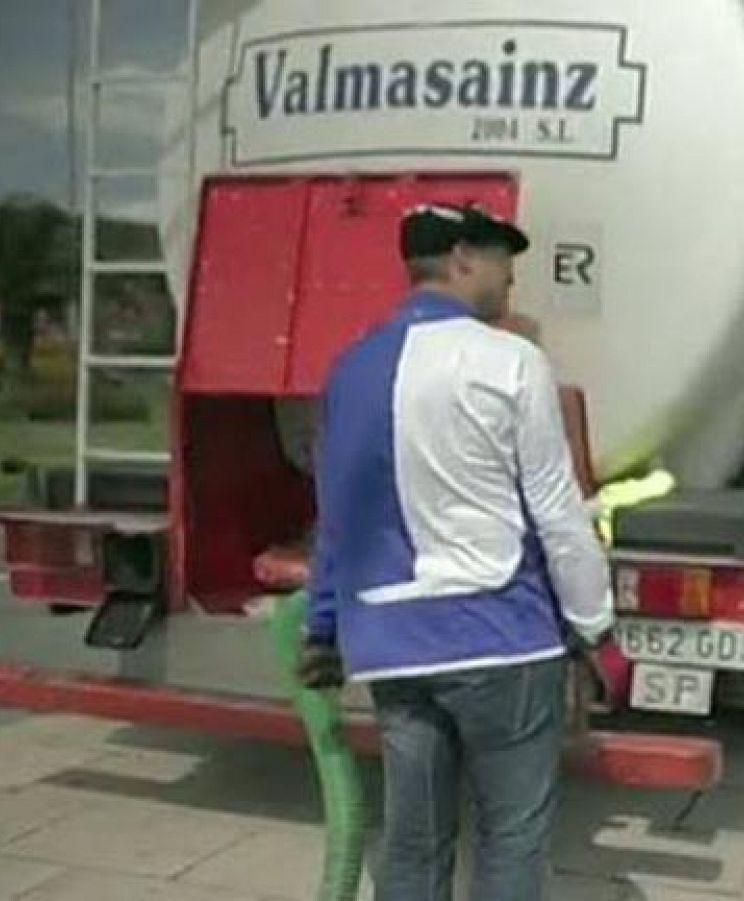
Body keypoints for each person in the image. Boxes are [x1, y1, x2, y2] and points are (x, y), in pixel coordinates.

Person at [297, 202, 615, 900]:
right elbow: (558, 513)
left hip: (396, 647)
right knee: (512, 838)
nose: (510, 278)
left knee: (413, 842)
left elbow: (337, 516)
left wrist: (322, 627)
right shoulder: (510, 360)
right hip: (502, 639)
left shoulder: (349, 369)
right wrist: (595, 625)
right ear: (464, 258)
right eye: (503, 259)